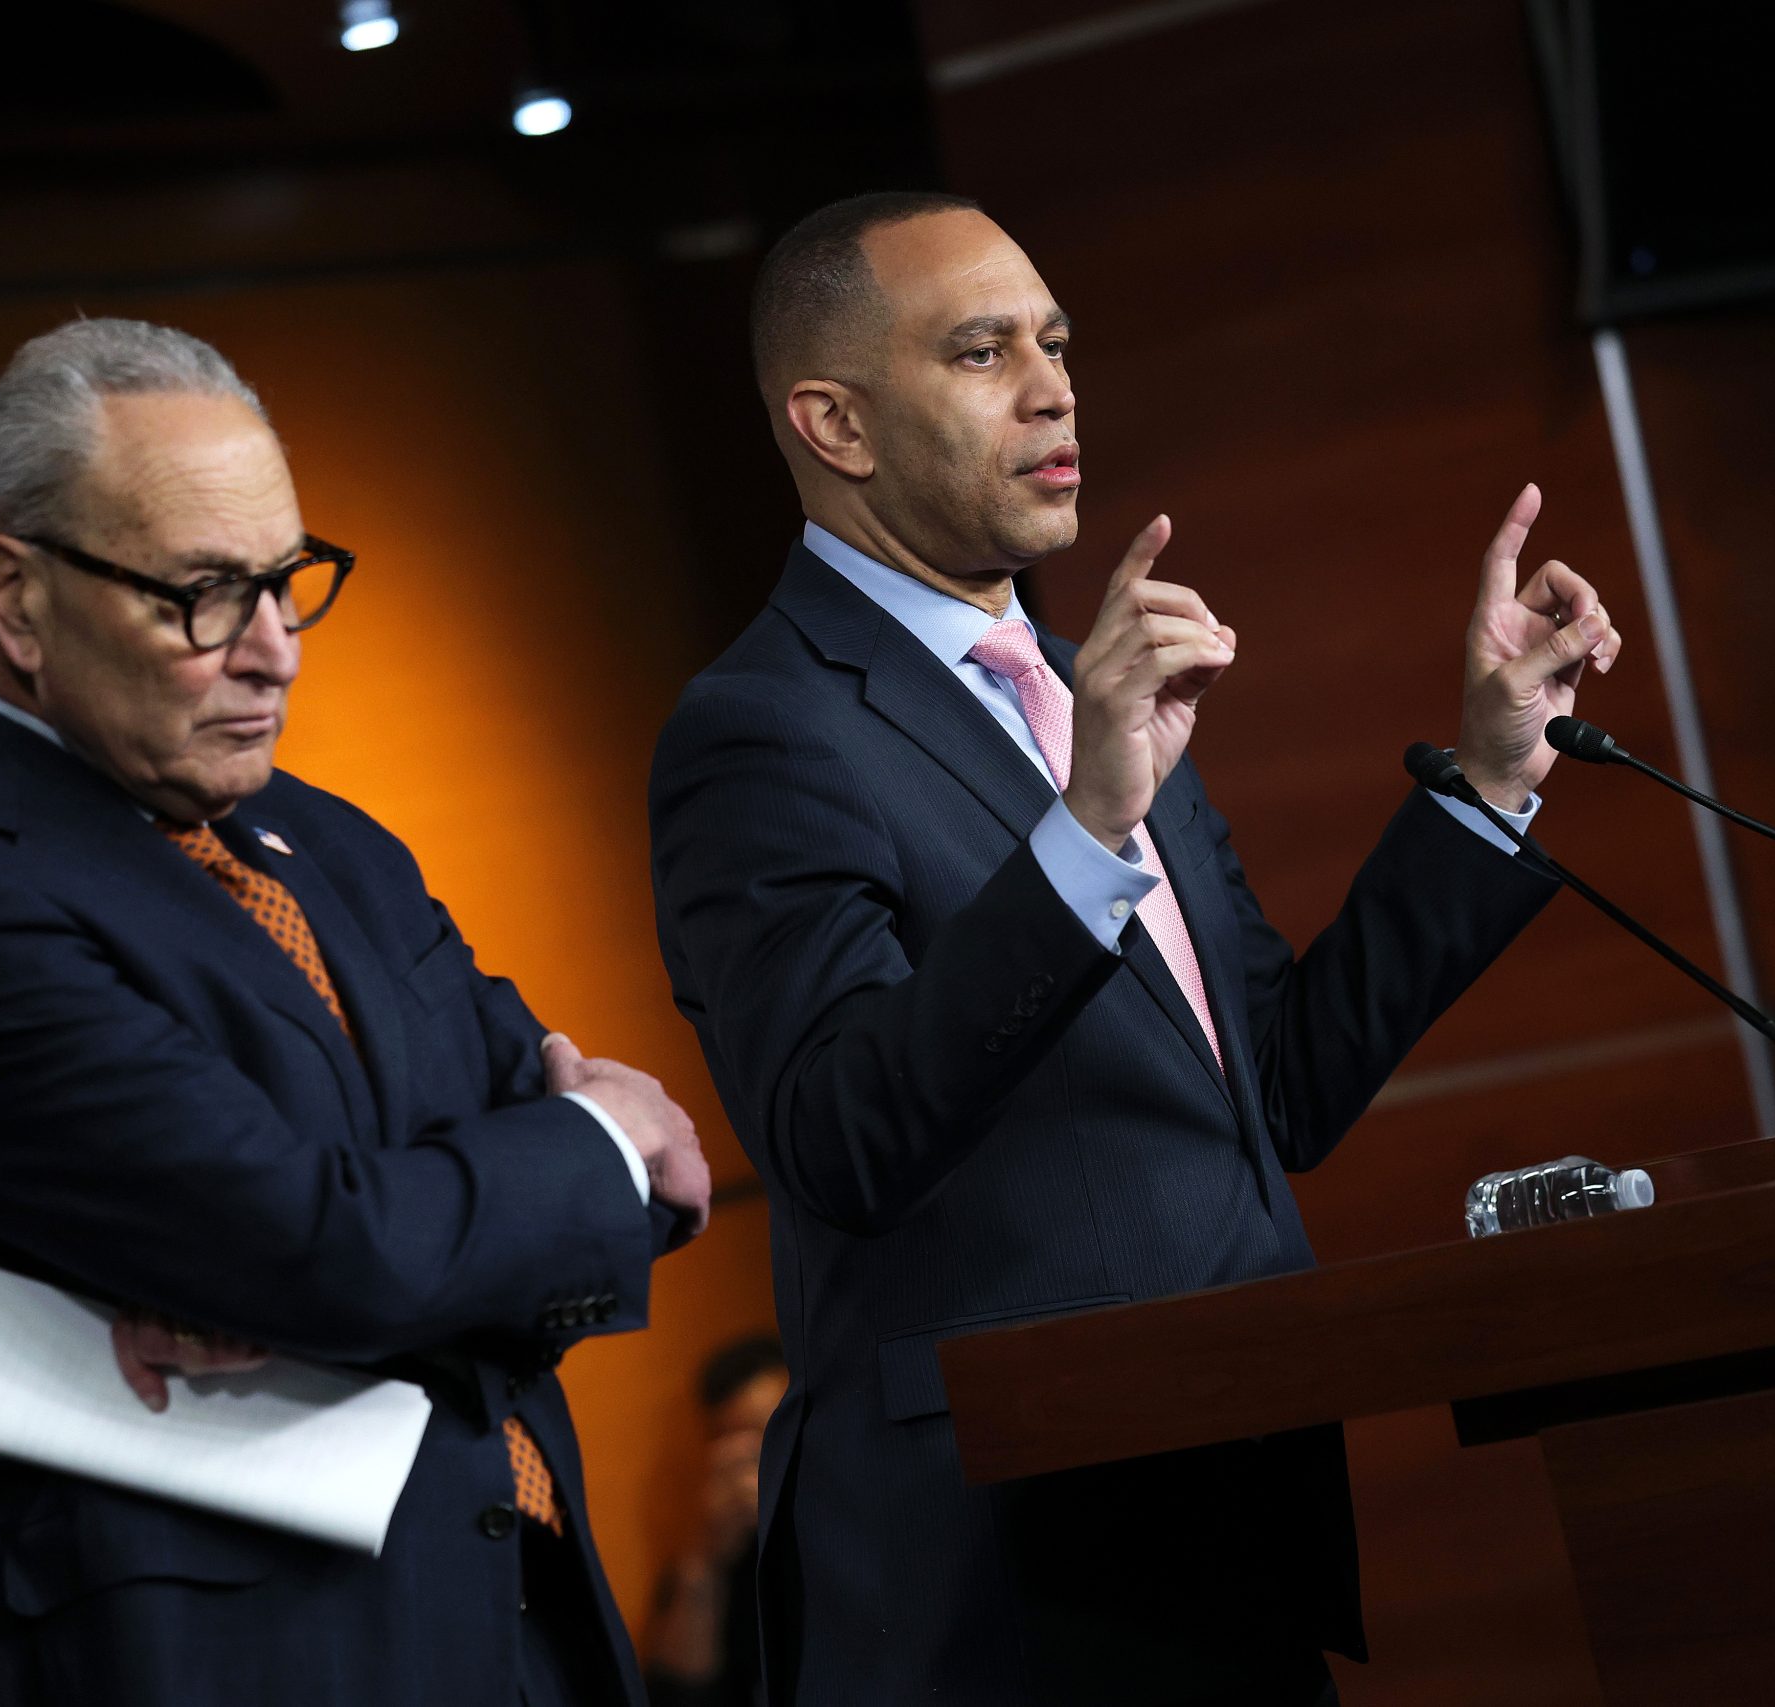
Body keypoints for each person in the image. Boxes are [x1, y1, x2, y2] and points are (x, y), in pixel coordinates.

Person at [647, 193, 1621, 1705]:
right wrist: (1090, 824)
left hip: (1223, 1514)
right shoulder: (763, 731)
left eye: (1056, 340)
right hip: (1008, 1578)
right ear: (835, 422)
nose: (1053, 385)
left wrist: (1492, 775)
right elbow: (838, 1132)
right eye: (983, 350)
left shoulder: (1067, 676)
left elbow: (1276, 1083)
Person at [0, 318, 711, 1707]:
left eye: (286, 581)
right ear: (15, 595)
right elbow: (329, 1245)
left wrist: (424, 1233)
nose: (276, 651)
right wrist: (568, 1165)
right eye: (205, 594)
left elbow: (532, 1185)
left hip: (523, 1627)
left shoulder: (326, 840)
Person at [643, 1335, 791, 1707]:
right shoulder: (720, 1551)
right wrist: (706, 1558)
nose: (754, 1468)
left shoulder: (853, 1526)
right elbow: (678, 1696)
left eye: (771, 1435)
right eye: (736, 1449)